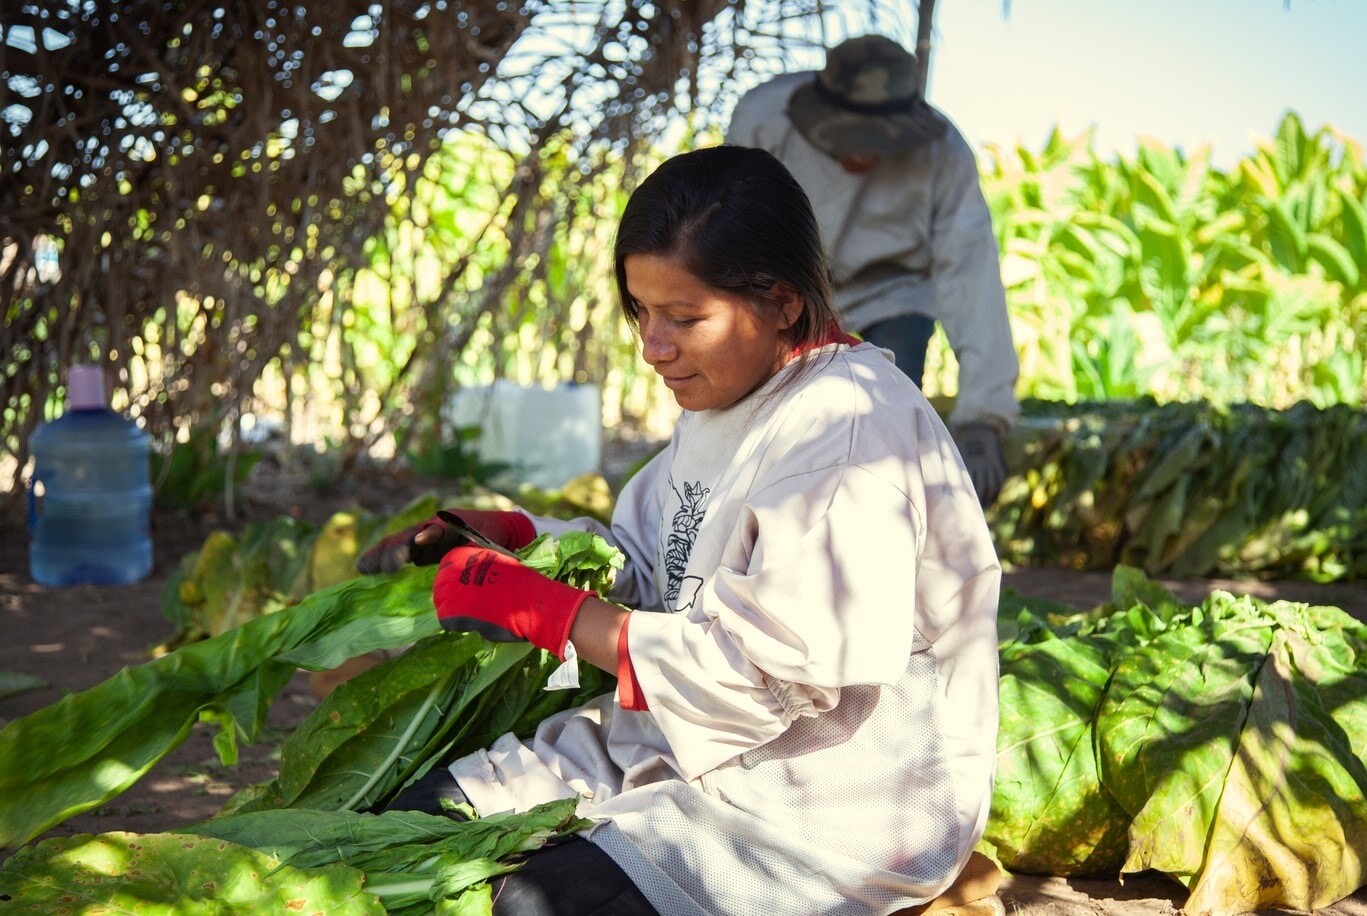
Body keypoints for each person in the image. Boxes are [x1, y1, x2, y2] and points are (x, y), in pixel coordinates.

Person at [360, 145, 1002, 916]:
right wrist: (519, 538)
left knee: (528, 904)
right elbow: (652, 553)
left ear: (783, 302)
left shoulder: (850, 428)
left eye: (684, 318)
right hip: (674, 738)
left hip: (826, 801)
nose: (651, 346)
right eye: (640, 310)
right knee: (402, 827)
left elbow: (766, 678)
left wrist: (548, 613)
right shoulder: (728, 395)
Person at [725, 34, 1019, 507]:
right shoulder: (763, 120)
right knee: (777, 414)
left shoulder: (944, 153)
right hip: (788, 288)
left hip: (894, 293)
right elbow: (733, 232)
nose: (861, 152)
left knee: (886, 420)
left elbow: (971, 273)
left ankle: (881, 514)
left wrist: (984, 415)